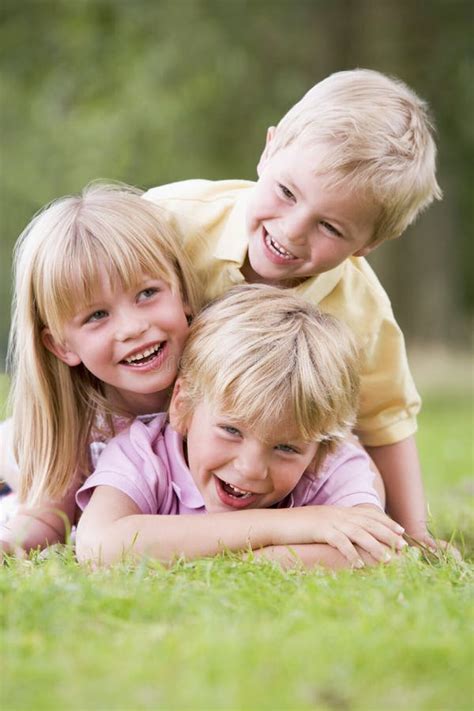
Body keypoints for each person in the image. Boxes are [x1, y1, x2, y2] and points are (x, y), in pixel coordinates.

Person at [143, 68, 442, 547]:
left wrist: (415, 530)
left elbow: (385, 419)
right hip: (129, 429)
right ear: (269, 149)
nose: (292, 229)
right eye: (286, 192)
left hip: (247, 460)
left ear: (372, 242)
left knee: (355, 464)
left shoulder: (360, 308)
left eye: (331, 227)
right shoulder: (166, 222)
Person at [75, 285, 406, 570]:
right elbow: (99, 544)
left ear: (322, 449)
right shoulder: (143, 453)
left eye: (286, 448)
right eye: (231, 431)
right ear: (182, 404)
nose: (250, 469)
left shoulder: (331, 462)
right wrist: (289, 527)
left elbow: (376, 554)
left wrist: (205, 558)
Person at [0, 183, 203, 555]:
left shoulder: (223, 380)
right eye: (97, 315)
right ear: (61, 346)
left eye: (147, 293)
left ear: (182, 293)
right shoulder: (81, 419)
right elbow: (47, 517)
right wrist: (11, 543)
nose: (132, 328)